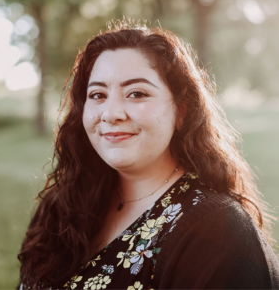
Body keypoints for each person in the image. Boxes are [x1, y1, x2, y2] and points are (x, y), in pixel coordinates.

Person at [17, 18, 279, 290]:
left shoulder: (219, 231)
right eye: (97, 95)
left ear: (181, 111)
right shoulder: (63, 205)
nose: (111, 114)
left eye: (137, 93)